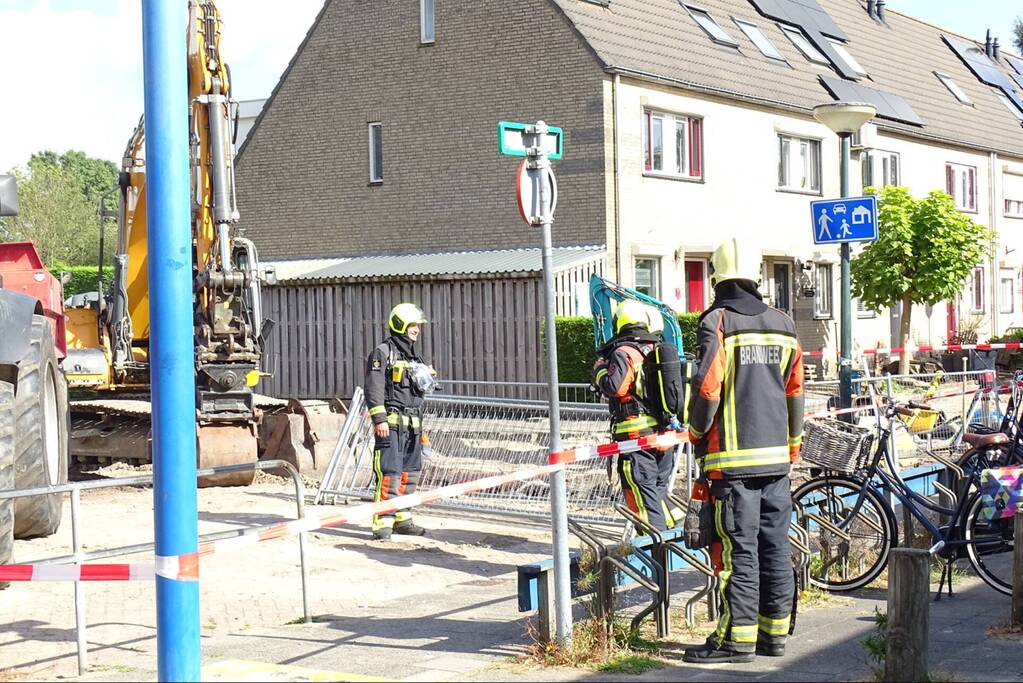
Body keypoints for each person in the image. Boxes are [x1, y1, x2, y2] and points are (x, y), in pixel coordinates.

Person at [683, 238, 804, 663]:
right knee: (774, 547)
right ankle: (774, 639)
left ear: (716, 276)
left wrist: (695, 432)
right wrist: (792, 444)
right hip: (777, 461)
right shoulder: (784, 323)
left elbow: (708, 389)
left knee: (739, 553)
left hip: (731, 465)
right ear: (757, 276)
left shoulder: (717, 322)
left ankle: (736, 642)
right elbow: (795, 392)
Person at [592, 300, 678, 532]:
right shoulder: (654, 349)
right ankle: (674, 539)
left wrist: (599, 370)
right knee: (657, 492)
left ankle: (655, 550)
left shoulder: (624, 352)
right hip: (662, 435)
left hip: (635, 436)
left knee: (641, 494)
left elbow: (615, 387)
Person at [365, 302, 435, 541]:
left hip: (413, 424)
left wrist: (427, 374)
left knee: (410, 473)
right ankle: (382, 523)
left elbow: (416, 388)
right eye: (413, 325)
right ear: (400, 324)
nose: (417, 329)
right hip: (391, 424)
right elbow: (374, 389)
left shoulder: (413, 354)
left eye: (418, 325)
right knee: (390, 473)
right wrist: (379, 419)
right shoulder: (382, 352)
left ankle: (402, 519)